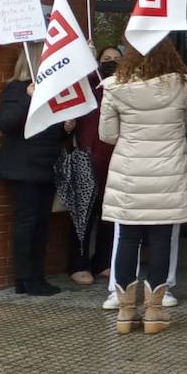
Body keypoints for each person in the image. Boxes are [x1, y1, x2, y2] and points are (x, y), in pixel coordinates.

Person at [99, 38, 187, 335]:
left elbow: (107, 134)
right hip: (169, 173)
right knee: (160, 241)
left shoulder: (114, 87)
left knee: (127, 241)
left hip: (129, 174)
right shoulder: (182, 86)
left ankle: (125, 313)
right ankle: (154, 312)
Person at [0, 43, 73, 296]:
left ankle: (35, 276)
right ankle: (25, 278)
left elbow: (49, 130)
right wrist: (29, 98)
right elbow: (7, 124)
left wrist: (65, 129)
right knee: (27, 223)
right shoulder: (17, 89)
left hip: (45, 166)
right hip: (23, 168)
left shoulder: (52, 92)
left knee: (41, 224)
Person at [69, 44, 121, 288]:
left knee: (109, 214)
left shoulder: (124, 87)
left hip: (116, 158)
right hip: (86, 155)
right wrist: (85, 58)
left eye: (116, 58)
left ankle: (103, 261)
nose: (111, 61)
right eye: (106, 58)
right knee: (83, 216)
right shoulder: (88, 84)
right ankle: (78, 264)